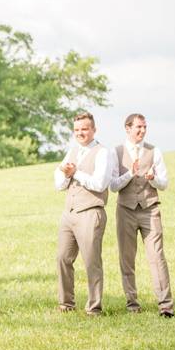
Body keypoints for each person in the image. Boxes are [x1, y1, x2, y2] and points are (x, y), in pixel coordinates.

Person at [109, 115, 174, 317]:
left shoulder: (154, 151)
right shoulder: (116, 152)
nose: (142, 130)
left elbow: (164, 183)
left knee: (157, 256)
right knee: (127, 258)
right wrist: (130, 173)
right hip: (125, 210)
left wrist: (153, 179)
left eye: (144, 127)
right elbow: (112, 186)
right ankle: (132, 304)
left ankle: (165, 306)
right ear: (127, 128)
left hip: (150, 208)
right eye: (138, 127)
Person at [54, 112, 114, 316]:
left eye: (85, 129)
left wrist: (75, 173)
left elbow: (100, 183)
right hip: (69, 212)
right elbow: (59, 184)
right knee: (62, 257)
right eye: (77, 130)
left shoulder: (103, 152)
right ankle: (66, 303)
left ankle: (94, 307)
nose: (81, 133)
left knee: (91, 261)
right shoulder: (72, 152)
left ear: (94, 130)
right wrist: (65, 175)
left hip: (91, 212)